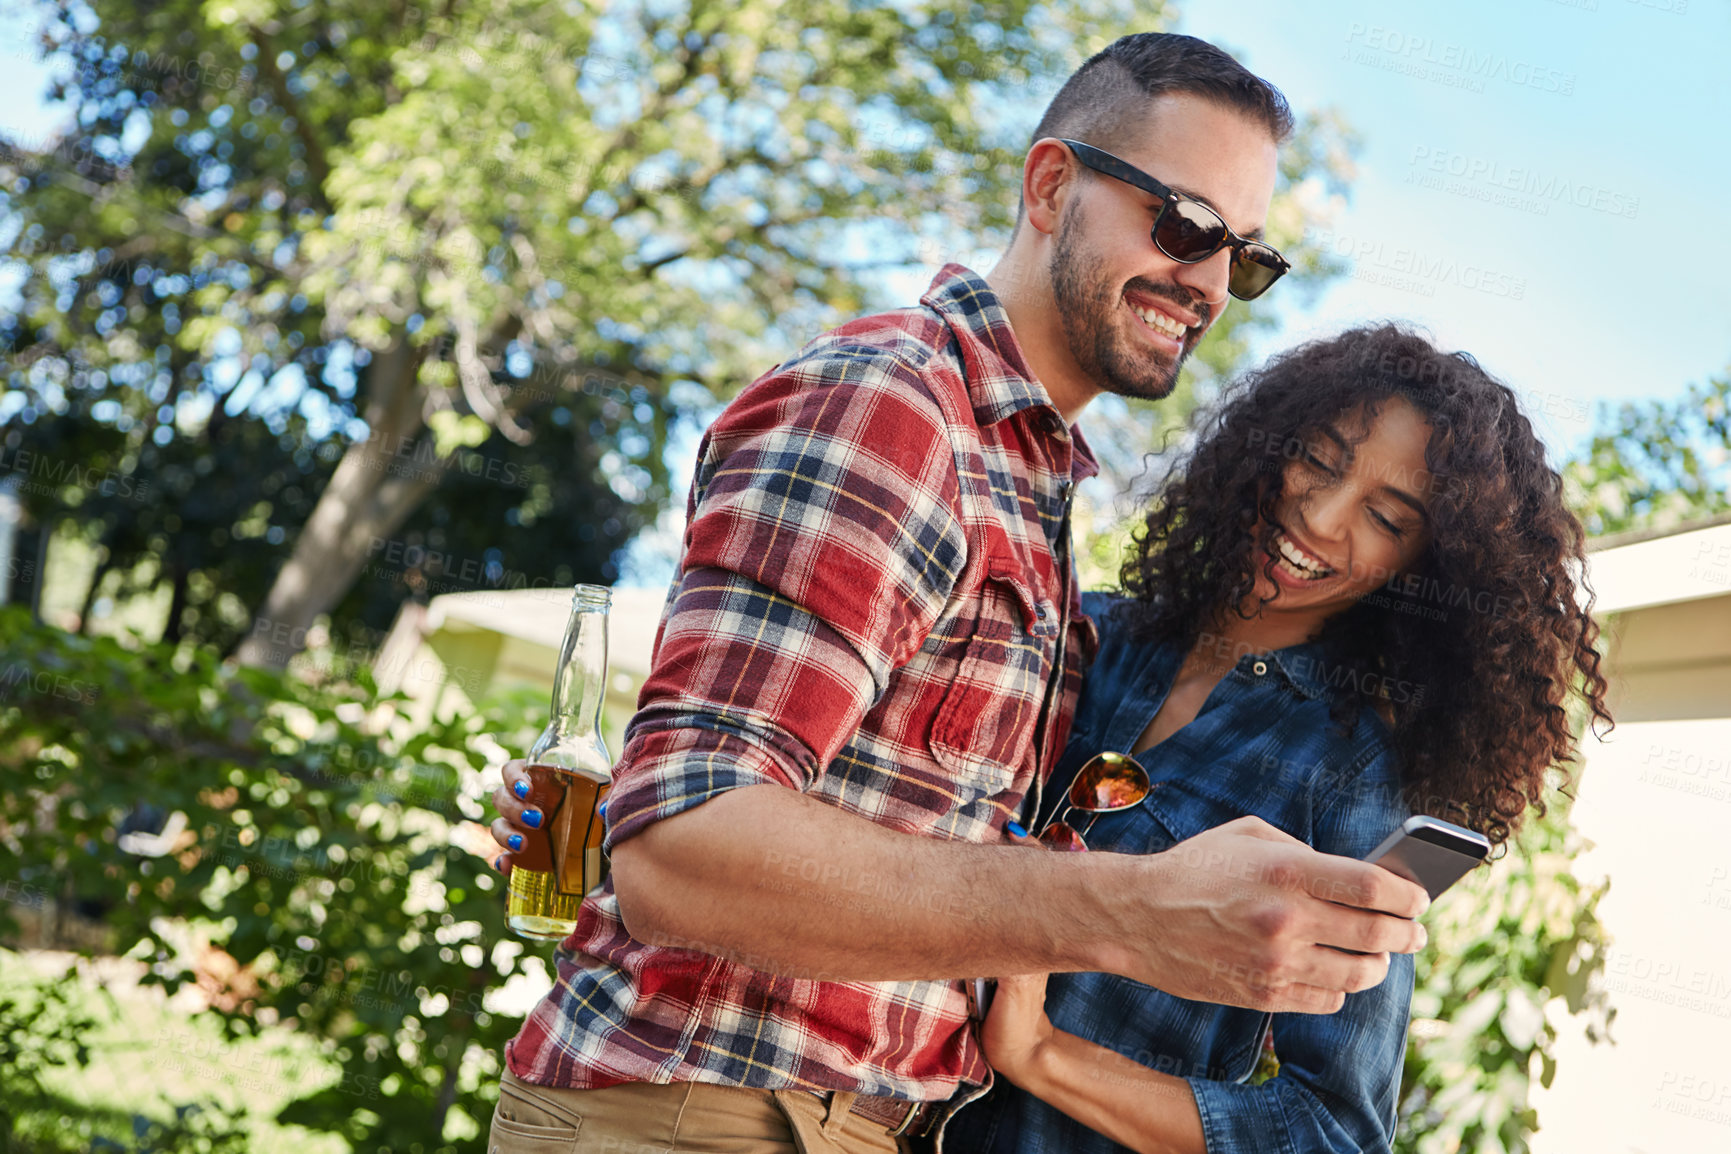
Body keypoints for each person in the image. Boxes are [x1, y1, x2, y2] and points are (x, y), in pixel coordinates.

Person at [484, 35, 1430, 1152]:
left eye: (1245, 257)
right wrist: (1130, 913)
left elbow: (796, 811)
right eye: (1183, 225)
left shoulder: (1035, 494)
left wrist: (614, 827)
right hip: (714, 1113)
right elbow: (685, 846)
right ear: (1049, 185)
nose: (1211, 283)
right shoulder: (898, 408)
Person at [945, 324, 1613, 1153]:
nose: (1322, 517)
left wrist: (1043, 1058)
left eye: (1385, 517)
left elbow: (1329, 1128)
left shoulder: (1350, 766)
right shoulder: (1085, 633)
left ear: (1424, 564)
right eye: (1321, 461)